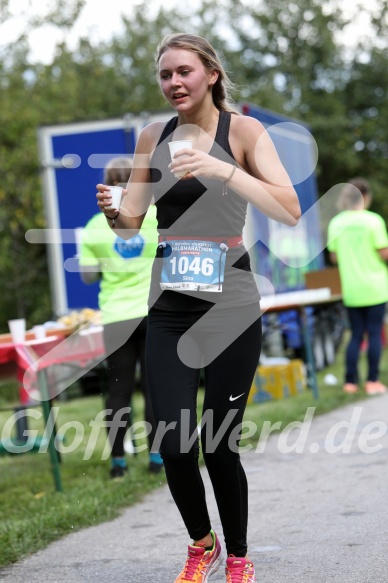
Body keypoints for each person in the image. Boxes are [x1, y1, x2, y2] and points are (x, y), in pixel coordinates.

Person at [96, 33, 300, 583]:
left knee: (218, 444)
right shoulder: (151, 137)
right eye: (165, 75)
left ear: (210, 73)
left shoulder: (245, 132)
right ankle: (200, 543)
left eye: (183, 71)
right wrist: (116, 211)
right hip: (169, 305)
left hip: (231, 304)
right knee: (173, 442)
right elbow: (135, 220)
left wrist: (224, 170)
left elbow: (289, 210)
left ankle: (237, 556)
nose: (173, 84)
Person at [79, 156, 163, 478]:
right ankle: (157, 459)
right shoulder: (154, 215)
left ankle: (118, 462)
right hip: (154, 311)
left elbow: (87, 276)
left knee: (118, 389)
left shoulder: (92, 226)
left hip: (116, 317)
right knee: (154, 387)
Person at [328, 177, 388, 395]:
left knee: (355, 335)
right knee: (374, 334)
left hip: (351, 288)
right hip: (375, 287)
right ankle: (372, 381)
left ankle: (350, 383)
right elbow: (384, 253)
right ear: (366, 197)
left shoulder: (336, 223)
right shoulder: (373, 221)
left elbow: (334, 258)